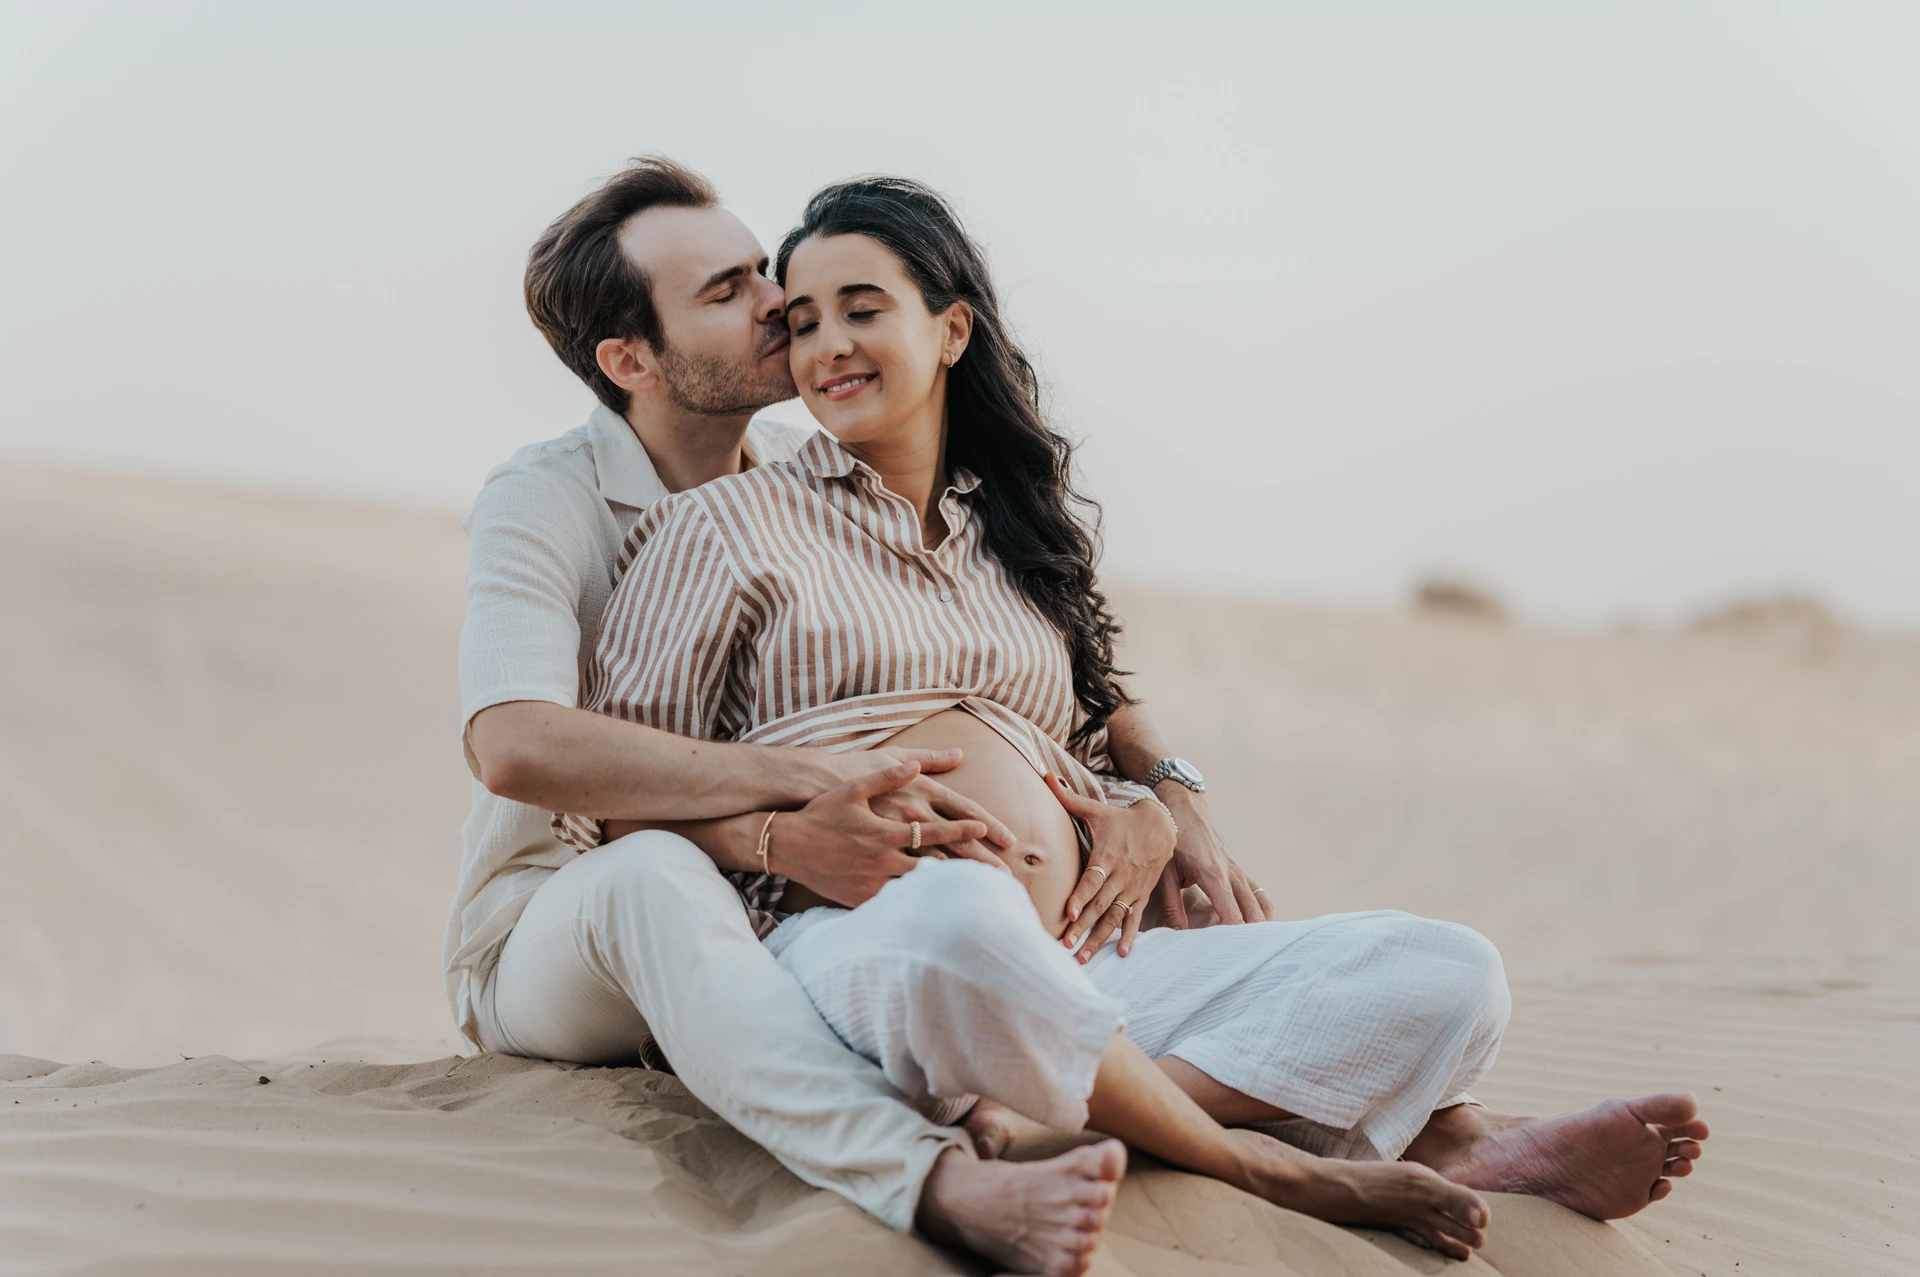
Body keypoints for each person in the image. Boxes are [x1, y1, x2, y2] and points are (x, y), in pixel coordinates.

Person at [554, 175, 1711, 1274]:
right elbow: (622, 800)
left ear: (952, 331)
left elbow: (1107, 732)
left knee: (1447, 968)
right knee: (960, 914)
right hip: (864, 945)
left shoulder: (1014, 544)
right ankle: (1271, 1151)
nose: (825, 346)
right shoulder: (721, 528)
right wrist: (785, 838)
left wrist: (1157, 807)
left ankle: (1090, 1118)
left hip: (1075, 963)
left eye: (864, 309)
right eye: (801, 322)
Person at [451, 157, 1275, 1276]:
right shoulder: (542, 498)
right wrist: (792, 787)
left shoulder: (809, 473)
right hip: (562, 916)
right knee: (658, 881)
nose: (777, 307)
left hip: (766, 908)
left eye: (761, 272)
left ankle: (1339, 1114)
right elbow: (513, 744)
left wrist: (1165, 790)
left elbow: (1052, 659)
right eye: (726, 292)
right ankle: (931, 1179)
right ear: (628, 359)